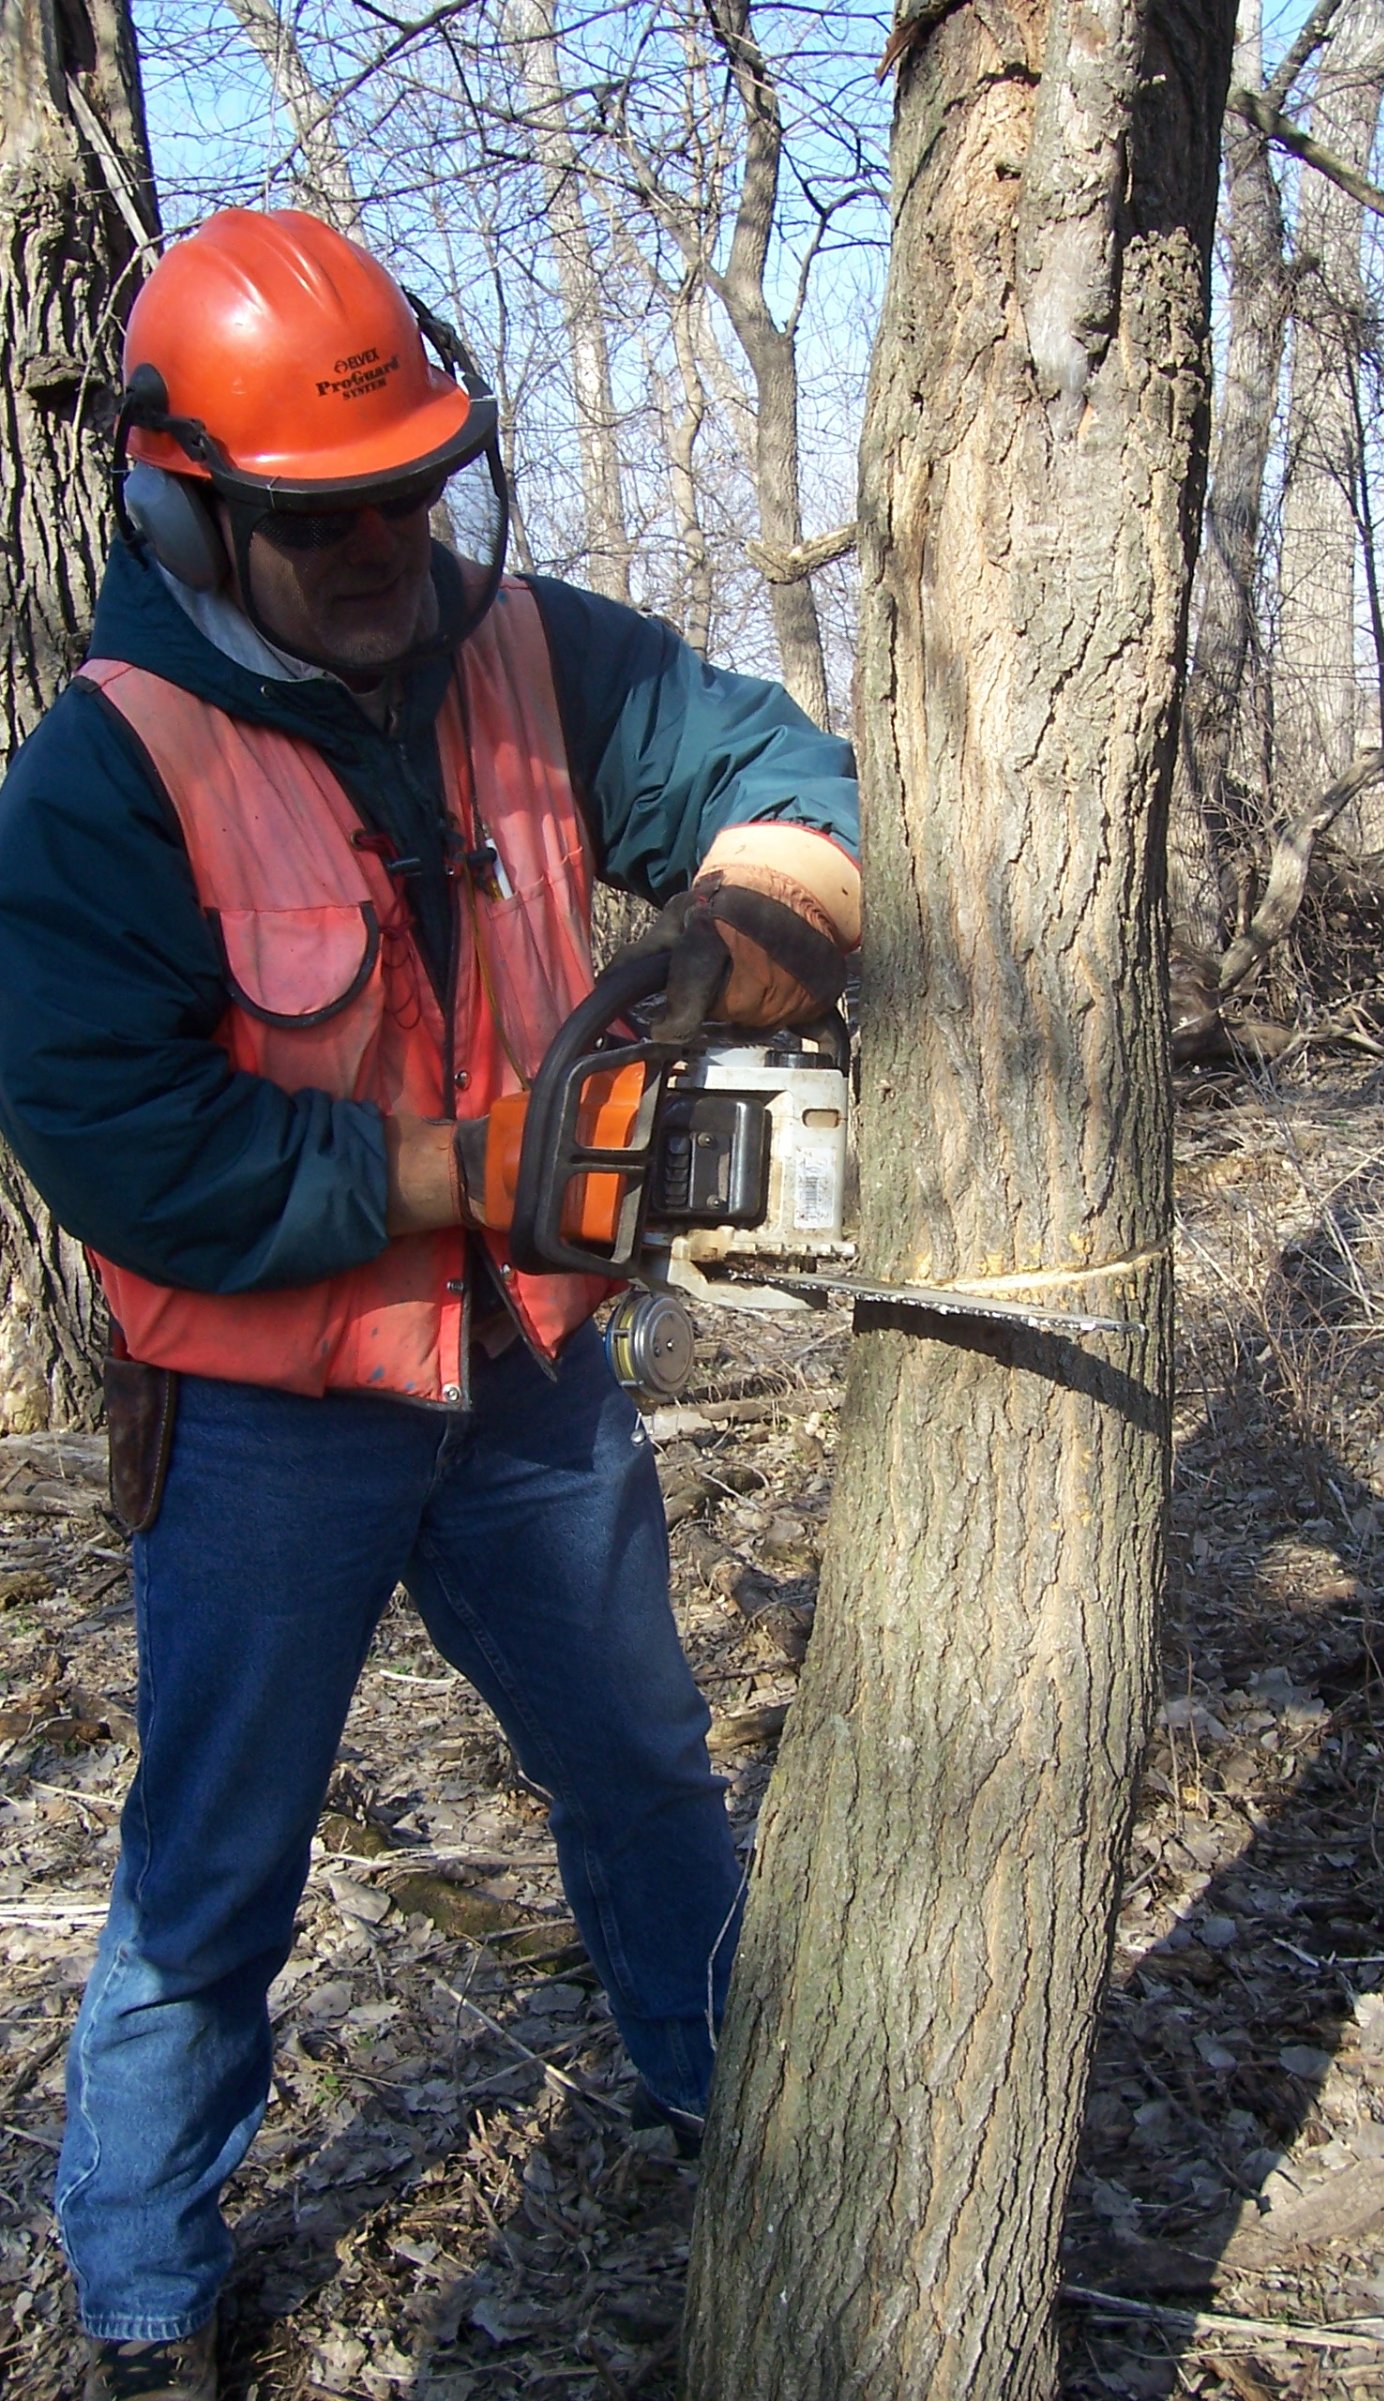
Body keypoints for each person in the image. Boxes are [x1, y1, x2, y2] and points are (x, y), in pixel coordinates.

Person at [0, 207, 860, 2401]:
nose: (384, 544)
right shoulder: (103, 772)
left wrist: (744, 936)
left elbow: (782, 773)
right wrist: (450, 1171)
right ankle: (145, 2290)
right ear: (190, 503)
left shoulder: (523, 649)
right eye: (323, 515)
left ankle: (719, 2095)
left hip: (539, 1379)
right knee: (212, 1876)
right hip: (274, 1417)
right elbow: (124, 1143)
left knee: (649, 1774)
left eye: (408, 492)